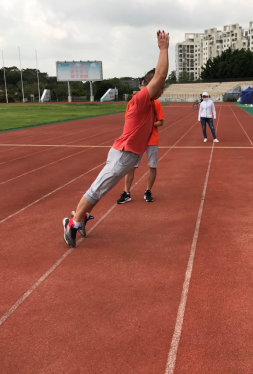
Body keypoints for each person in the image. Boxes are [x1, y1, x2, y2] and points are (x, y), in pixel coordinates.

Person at [62, 30, 169, 248]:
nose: (162, 90)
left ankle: (80, 218)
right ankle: (72, 223)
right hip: (124, 154)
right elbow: (159, 76)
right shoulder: (140, 100)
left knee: (101, 189)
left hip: (127, 155)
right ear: (151, 86)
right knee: (97, 189)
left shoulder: (150, 105)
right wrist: (163, 49)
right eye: (160, 87)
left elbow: (159, 79)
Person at [117, 84, 164, 204]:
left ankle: (148, 191)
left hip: (152, 140)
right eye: (143, 86)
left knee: (152, 166)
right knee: (131, 166)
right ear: (140, 87)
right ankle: (126, 192)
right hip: (137, 140)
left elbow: (160, 122)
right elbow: (129, 119)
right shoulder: (132, 102)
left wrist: (148, 124)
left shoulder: (156, 103)